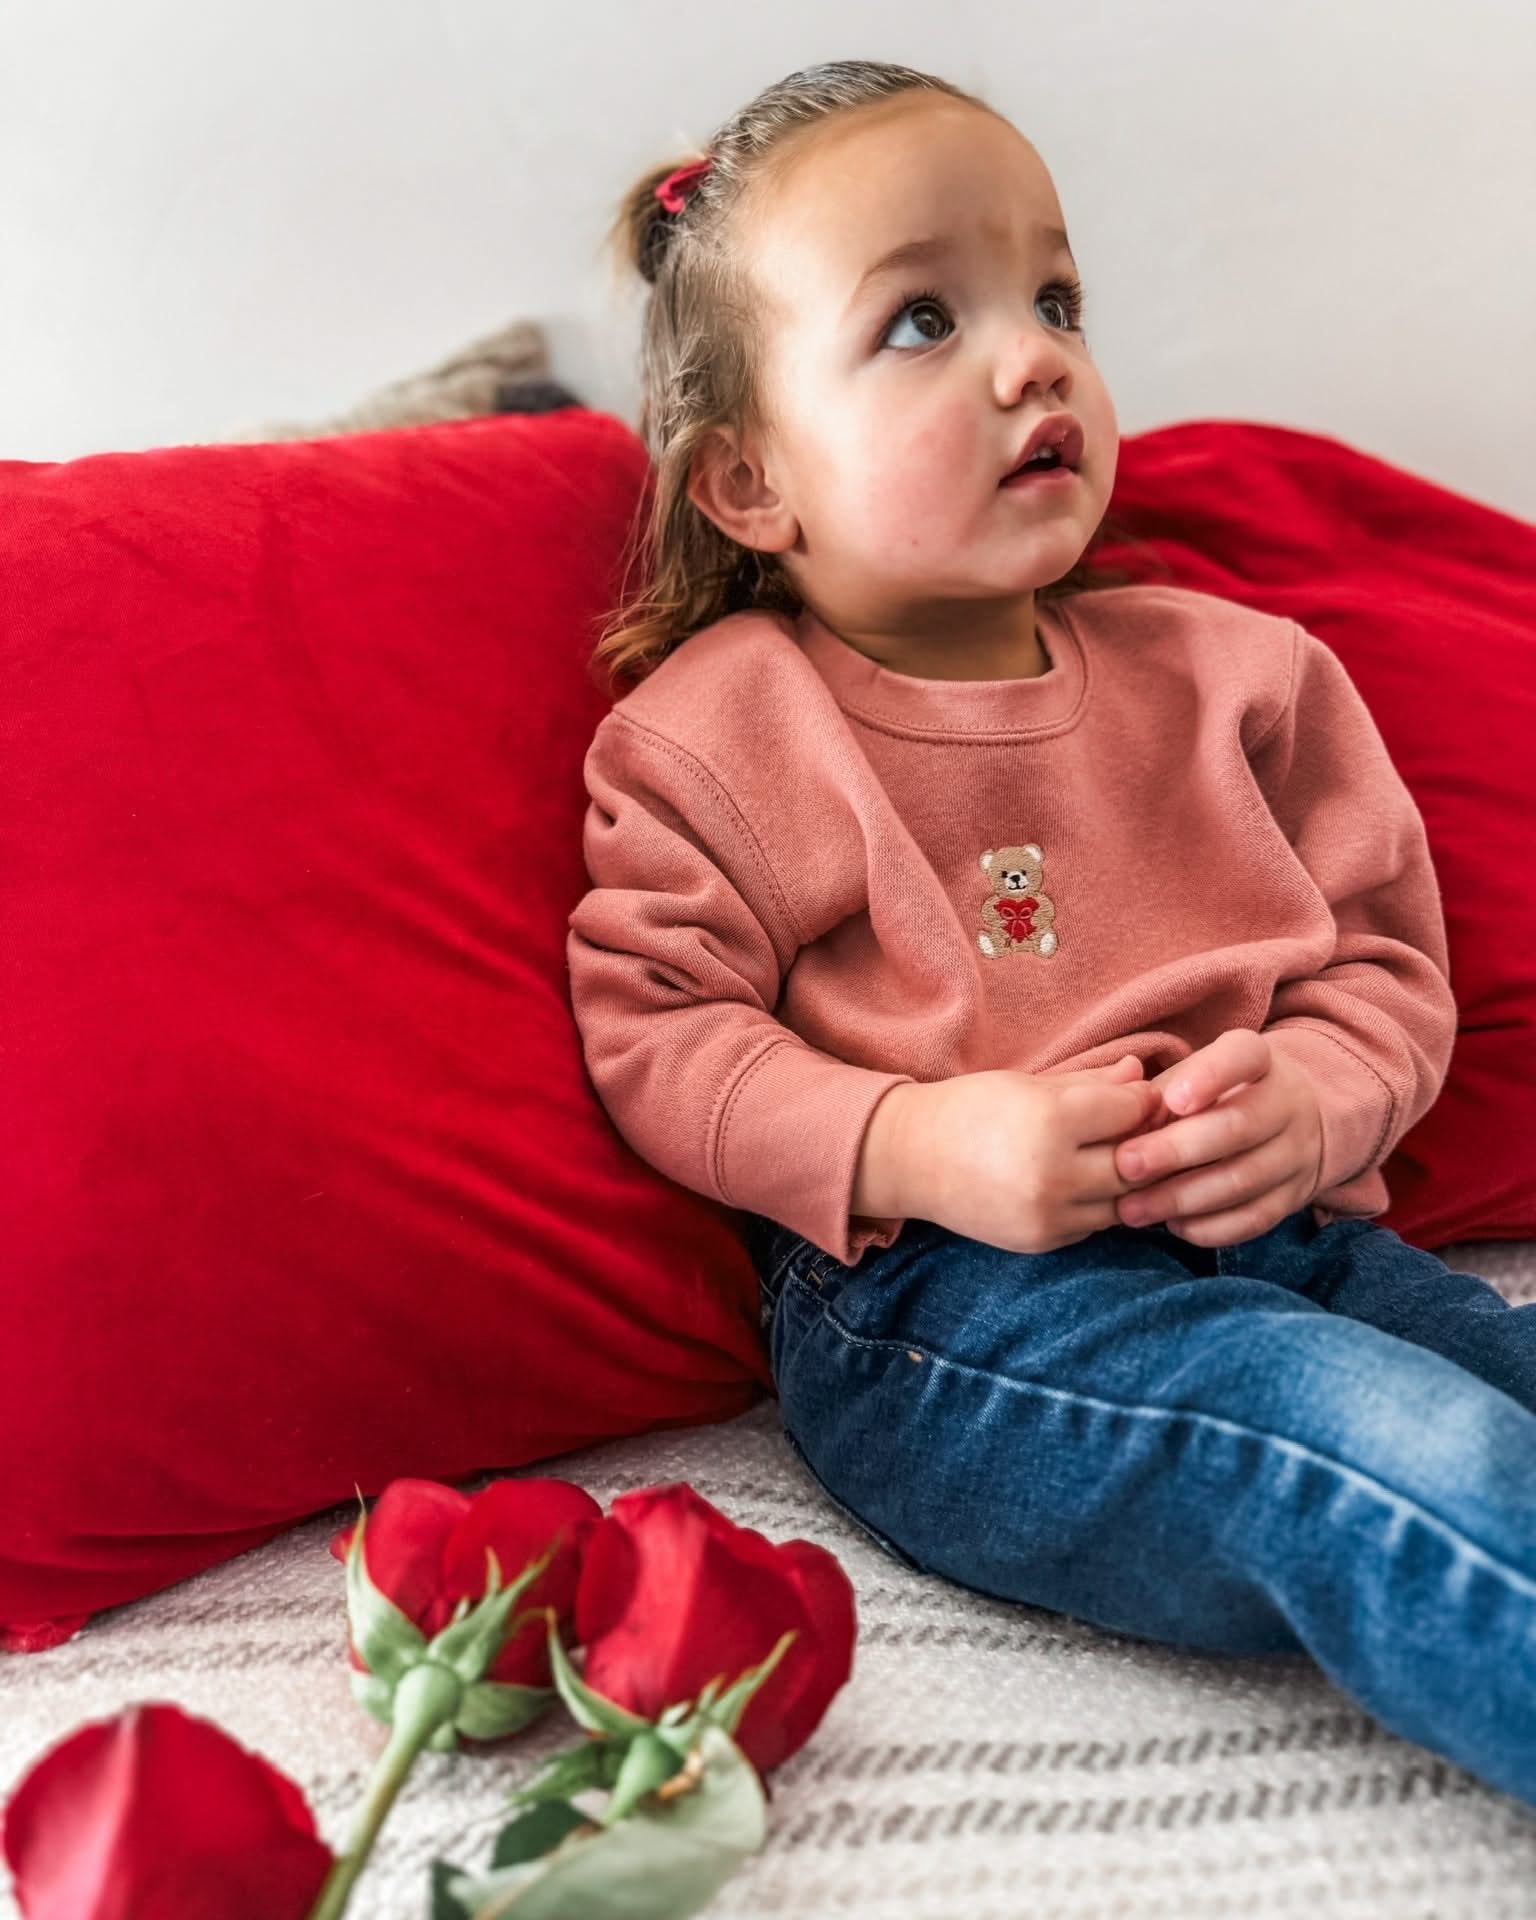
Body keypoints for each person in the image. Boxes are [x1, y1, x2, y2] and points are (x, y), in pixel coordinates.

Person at [566, 60, 1536, 1807]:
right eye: (923, 318)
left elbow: (1386, 967)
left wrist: (1314, 1104)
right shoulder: (727, 728)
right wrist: (916, 1138)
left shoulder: (1237, 677)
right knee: (1404, 1456)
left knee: (1503, 1390)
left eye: (1057, 299)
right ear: (749, 483)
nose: (1035, 357)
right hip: (954, 1311)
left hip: (1289, 1241)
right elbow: (660, 1034)